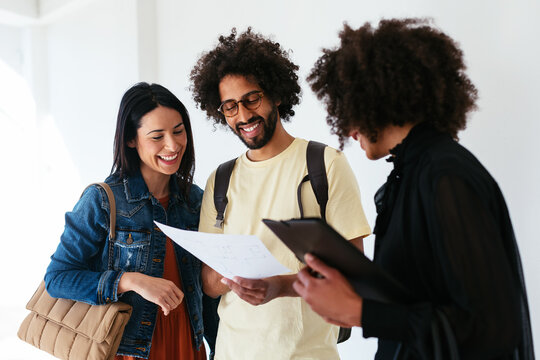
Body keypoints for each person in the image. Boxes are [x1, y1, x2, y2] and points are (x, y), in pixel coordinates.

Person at [294, 18, 535, 360]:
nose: (347, 129)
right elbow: (418, 298)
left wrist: (362, 313)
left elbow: (491, 327)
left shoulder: (445, 175)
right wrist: (351, 294)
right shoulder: (410, 174)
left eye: (349, 110)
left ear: (374, 99)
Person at [190, 28, 371, 359]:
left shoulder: (323, 165)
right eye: (230, 107)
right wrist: (232, 277)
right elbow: (208, 283)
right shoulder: (221, 179)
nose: (243, 116)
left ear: (276, 94)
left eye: (251, 99)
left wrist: (279, 285)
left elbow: (353, 270)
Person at [45, 82, 216, 360]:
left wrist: (219, 346)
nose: (172, 145)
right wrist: (130, 281)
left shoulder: (195, 201)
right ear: (131, 139)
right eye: (157, 136)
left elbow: (205, 292)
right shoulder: (102, 199)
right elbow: (58, 278)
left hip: (187, 344)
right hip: (131, 351)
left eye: (178, 131)